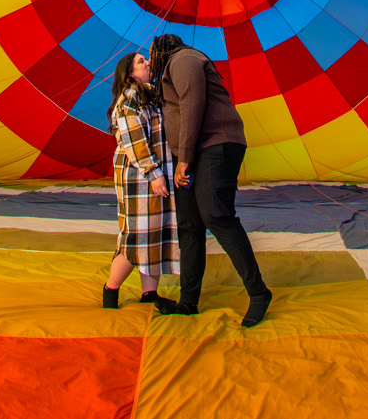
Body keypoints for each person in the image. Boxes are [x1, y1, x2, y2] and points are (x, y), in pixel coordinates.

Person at [151, 32, 272, 327]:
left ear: (162, 50)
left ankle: (258, 293)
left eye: (151, 54)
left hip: (215, 147)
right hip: (192, 154)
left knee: (217, 216)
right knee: (189, 226)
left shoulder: (184, 59)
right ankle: (188, 301)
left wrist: (185, 158)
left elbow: (194, 105)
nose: (150, 59)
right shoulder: (175, 66)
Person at [102, 50, 177, 313]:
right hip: (139, 177)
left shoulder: (150, 96)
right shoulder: (130, 99)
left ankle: (149, 293)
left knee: (154, 234)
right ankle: (110, 290)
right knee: (137, 236)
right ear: (131, 73)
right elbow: (136, 142)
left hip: (154, 175)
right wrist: (153, 173)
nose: (147, 63)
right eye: (141, 61)